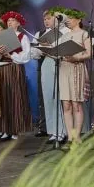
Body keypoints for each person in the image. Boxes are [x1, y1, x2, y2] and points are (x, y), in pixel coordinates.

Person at [0, 11, 32, 140]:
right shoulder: (0, 37)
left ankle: (14, 129)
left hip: (14, 69)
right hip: (2, 69)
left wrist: (11, 55)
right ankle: (3, 128)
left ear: (18, 23)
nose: (9, 22)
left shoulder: (22, 37)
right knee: (3, 98)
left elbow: (26, 56)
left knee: (14, 98)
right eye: (8, 21)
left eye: (12, 20)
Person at [30, 8, 67, 143]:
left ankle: (62, 131)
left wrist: (51, 45)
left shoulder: (64, 31)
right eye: (44, 19)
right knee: (48, 97)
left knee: (59, 97)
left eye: (49, 18)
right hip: (46, 63)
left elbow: (66, 48)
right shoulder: (40, 33)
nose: (46, 21)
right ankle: (52, 131)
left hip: (60, 64)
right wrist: (42, 48)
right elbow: (33, 53)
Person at [58, 8, 92, 143]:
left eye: (71, 18)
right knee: (66, 104)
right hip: (64, 68)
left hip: (77, 68)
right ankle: (70, 135)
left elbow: (89, 54)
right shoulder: (64, 36)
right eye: (67, 19)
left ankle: (77, 135)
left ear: (78, 19)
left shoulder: (84, 34)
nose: (68, 21)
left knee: (76, 104)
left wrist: (76, 58)